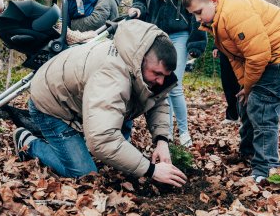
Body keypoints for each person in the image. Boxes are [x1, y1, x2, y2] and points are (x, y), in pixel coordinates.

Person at [13, 20, 187, 187]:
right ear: (141, 60)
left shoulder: (136, 61)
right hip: (51, 104)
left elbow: (157, 99)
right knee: (84, 173)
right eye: (157, 73)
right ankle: (29, 143)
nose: (161, 81)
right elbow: (101, 140)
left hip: (82, 97)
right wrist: (152, 170)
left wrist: (162, 141)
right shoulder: (111, 76)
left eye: (165, 75)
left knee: (117, 151)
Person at [183, 0, 280, 183]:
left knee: (262, 105)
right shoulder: (218, 20)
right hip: (272, 54)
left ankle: (266, 168)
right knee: (244, 100)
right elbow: (237, 58)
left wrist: (251, 86)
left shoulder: (233, 13)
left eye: (199, 12)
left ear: (214, 0)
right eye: (194, 15)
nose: (198, 19)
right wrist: (245, 86)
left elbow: (258, 54)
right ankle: (248, 152)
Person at [128, 0, 207, 147]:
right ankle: (166, 134)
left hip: (179, 36)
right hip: (156, 36)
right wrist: (136, 10)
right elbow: (139, 2)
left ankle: (184, 132)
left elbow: (196, 15)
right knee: (159, 86)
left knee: (174, 85)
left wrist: (196, 43)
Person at [217, 0, 260, 125]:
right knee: (227, 81)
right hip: (226, 45)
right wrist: (216, 45)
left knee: (242, 81)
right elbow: (220, 20)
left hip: (242, 45)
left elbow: (253, 19)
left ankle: (245, 117)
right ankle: (232, 115)